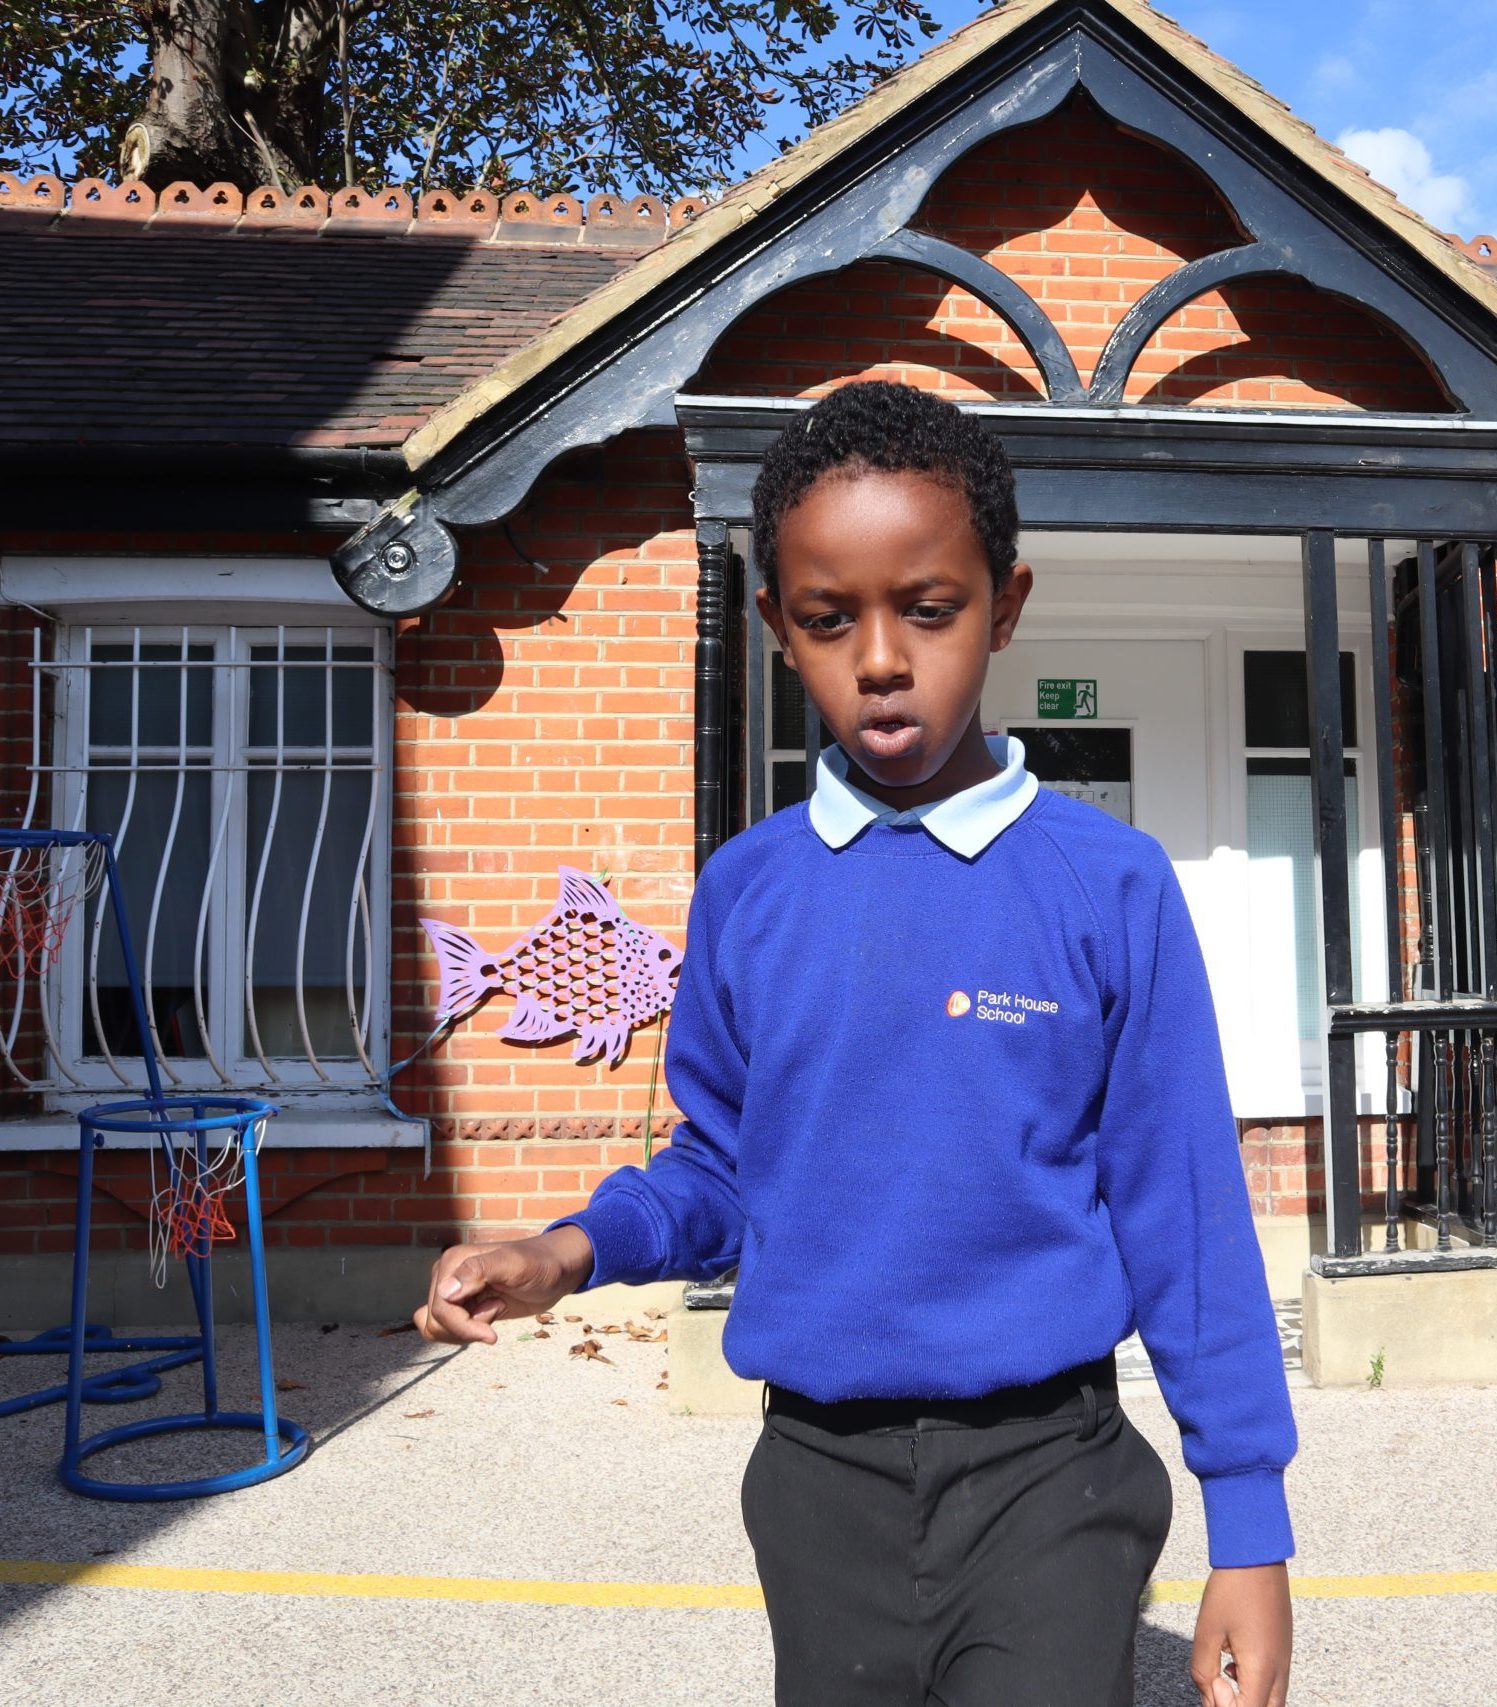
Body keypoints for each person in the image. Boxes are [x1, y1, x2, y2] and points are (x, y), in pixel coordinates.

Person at [416, 379, 1297, 1707]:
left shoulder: (1108, 886)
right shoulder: (749, 892)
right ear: (779, 628)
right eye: (831, 620)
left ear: (1006, 603)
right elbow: (721, 1168)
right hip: (820, 1487)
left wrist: (1251, 1523)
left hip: (1050, 1476)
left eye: (928, 609)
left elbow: (1183, 1210)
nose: (881, 657)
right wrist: (563, 1252)